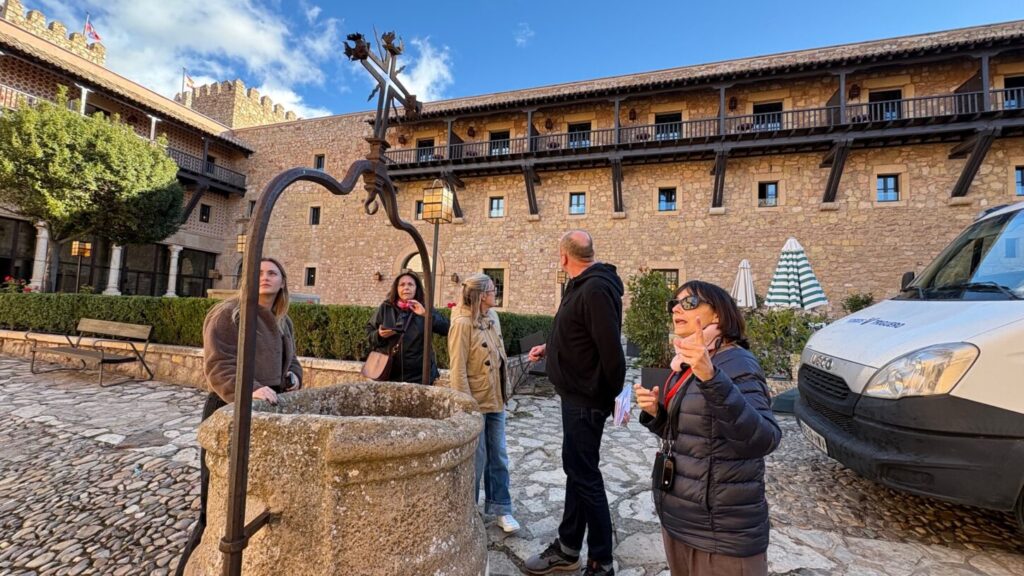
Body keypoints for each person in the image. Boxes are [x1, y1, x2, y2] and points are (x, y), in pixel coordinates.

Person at [633, 280, 781, 576]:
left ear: (718, 315)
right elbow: (696, 435)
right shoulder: (687, 363)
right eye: (673, 304)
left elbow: (763, 438)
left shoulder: (736, 362)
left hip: (721, 533)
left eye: (689, 302)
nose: (676, 308)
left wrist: (711, 378)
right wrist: (656, 414)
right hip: (684, 520)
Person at [175, 257, 302, 576]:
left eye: (272, 273)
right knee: (217, 503)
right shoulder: (228, 313)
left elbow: (293, 362)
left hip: (268, 413)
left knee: (257, 497)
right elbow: (218, 366)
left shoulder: (282, 320)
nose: (265, 277)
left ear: (282, 282)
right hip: (230, 410)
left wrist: (294, 378)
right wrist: (251, 390)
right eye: (258, 272)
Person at [524, 230, 625, 576]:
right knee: (577, 473)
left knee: (585, 476)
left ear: (564, 257)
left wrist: (609, 398)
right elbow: (577, 334)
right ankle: (568, 547)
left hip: (586, 401)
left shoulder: (595, 288)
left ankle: (601, 561)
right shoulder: (580, 286)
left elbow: (611, 351)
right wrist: (549, 349)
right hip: (577, 397)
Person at [446, 273, 520, 533]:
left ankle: (501, 508)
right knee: (475, 460)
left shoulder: (494, 318)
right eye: (491, 289)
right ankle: (466, 510)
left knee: (498, 454)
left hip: (496, 398)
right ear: (480, 295)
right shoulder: (462, 324)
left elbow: (499, 356)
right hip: (475, 401)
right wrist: (466, 406)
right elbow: (457, 369)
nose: (495, 292)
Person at [366, 271, 450, 384]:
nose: (406, 288)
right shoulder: (386, 307)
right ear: (396, 288)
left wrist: (426, 315)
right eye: (402, 285)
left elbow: (447, 328)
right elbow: (369, 333)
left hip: (419, 376)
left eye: (410, 284)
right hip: (389, 373)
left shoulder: (424, 307)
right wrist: (379, 335)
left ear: (416, 288)